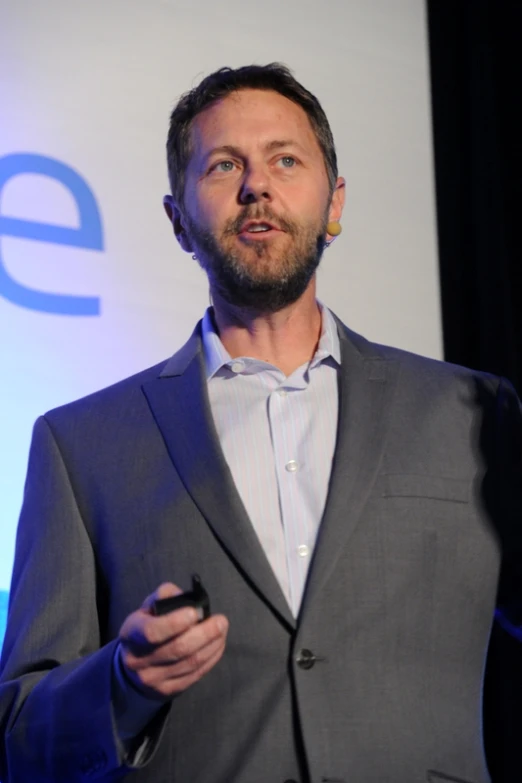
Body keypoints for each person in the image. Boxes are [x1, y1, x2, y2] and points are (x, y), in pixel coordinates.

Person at [0, 63, 521, 783]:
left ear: (334, 202)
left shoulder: (475, 413)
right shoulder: (81, 446)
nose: (257, 186)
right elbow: (21, 739)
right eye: (223, 165)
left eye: (285, 159)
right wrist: (123, 683)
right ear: (177, 220)